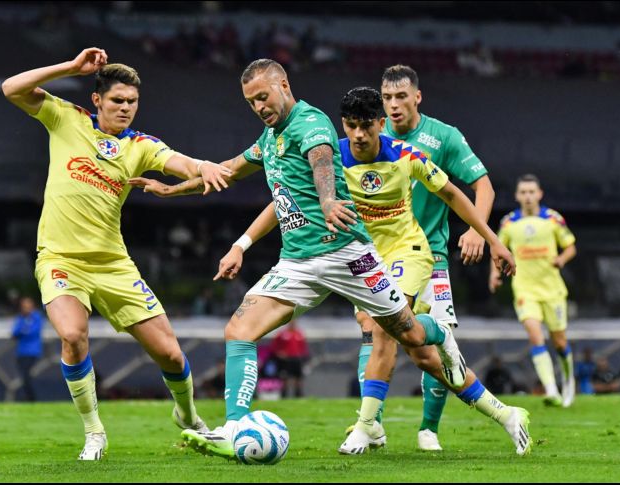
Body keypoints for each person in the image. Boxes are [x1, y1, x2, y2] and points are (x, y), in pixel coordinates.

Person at [131, 59, 522, 458]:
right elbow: (227, 172)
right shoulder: (270, 138)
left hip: (346, 254)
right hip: (298, 262)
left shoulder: (310, 122)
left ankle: (438, 338)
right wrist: (170, 191)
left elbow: (321, 160)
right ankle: (235, 428)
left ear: (283, 84)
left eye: (263, 97)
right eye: (251, 102)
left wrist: (328, 198)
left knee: (413, 338)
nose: (259, 107)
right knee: (239, 330)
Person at [1, 47, 231, 460]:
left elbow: (180, 162)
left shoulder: (140, 145)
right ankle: (94, 432)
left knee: (170, 354)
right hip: (60, 259)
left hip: (113, 264)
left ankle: (189, 416)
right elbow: (11, 88)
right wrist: (70, 68)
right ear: (97, 100)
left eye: (132, 102)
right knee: (72, 336)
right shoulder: (65, 118)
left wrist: (205, 166)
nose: (126, 108)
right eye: (117, 101)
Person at [336, 87, 530, 455]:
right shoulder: (331, 158)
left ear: (379, 125)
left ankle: (367, 425)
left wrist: (492, 239)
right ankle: (506, 413)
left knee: (382, 328)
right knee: (421, 352)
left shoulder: (409, 155)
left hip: (410, 251)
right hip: (365, 258)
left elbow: (455, 194)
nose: (359, 135)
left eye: (365, 126)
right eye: (351, 126)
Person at [373, 64, 499, 452]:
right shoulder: (371, 137)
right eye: (387, 98)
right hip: (380, 255)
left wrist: (478, 229)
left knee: (440, 341)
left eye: (400, 97)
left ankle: (428, 429)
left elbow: (483, 186)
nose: (393, 106)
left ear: (417, 97)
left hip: (430, 256)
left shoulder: (443, 136)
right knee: (376, 336)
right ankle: (370, 424)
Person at [490, 174, 578, 409]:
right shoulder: (509, 222)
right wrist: (494, 274)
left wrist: (561, 259)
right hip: (524, 288)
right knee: (535, 335)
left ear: (539, 194)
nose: (528, 196)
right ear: (518, 196)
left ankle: (568, 382)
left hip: (552, 290)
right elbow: (498, 249)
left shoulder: (552, 219)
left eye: (532, 192)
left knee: (559, 342)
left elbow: (571, 247)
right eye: (523, 192)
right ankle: (551, 390)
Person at [11, 296, 44, 402]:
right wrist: (23, 330)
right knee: (23, 376)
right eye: (24, 306)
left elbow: (32, 332)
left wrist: (23, 331)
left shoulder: (36, 317)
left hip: (32, 351)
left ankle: (31, 398)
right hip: (21, 352)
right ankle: (29, 397)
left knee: (26, 375)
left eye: (28, 305)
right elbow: (14, 333)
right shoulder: (20, 318)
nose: (26, 308)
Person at [269, 320, 309, 398]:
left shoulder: (299, 334)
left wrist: (303, 356)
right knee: (285, 377)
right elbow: (274, 346)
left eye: (294, 323)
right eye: (291, 323)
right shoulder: (282, 334)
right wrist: (279, 353)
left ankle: (298, 394)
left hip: (297, 359)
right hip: (286, 360)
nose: (293, 324)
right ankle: (284, 394)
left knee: (298, 377)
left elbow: (303, 347)